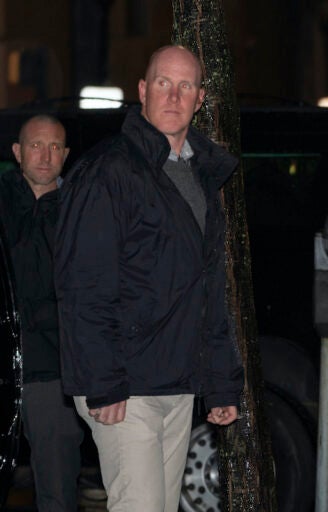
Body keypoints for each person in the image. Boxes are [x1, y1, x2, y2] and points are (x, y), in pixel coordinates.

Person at [54, 45, 244, 512]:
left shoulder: (201, 176)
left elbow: (208, 290)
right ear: (142, 90)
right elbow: (83, 285)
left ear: (200, 98)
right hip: (124, 384)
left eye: (185, 86)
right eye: (163, 82)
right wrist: (102, 382)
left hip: (176, 383)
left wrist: (221, 382)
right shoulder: (110, 172)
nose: (173, 95)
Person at [0, 115, 83, 511]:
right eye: (36, 145)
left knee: (57, 494)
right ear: (17, 152)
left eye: (55, 147)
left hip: (54, 373)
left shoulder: (80, 211)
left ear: (66, 155)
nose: (45, 155)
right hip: (3, 369)